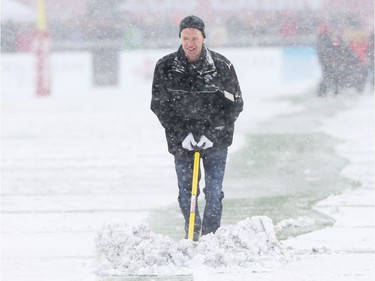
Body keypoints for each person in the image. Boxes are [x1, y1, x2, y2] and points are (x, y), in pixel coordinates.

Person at [151, 15, 243, 241]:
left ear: (204, 38)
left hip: (216, 142)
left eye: (194, 38)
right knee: (186, 195)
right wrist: (182, 136)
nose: (189, 44)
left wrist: (212, 135)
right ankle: (193, 234)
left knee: (213, 194)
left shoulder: (222, 66)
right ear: (180, 38)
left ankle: (210, 238)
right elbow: (159, 106)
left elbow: (235, 105)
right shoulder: (165, 67)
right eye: (185, 38)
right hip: (182, 143)